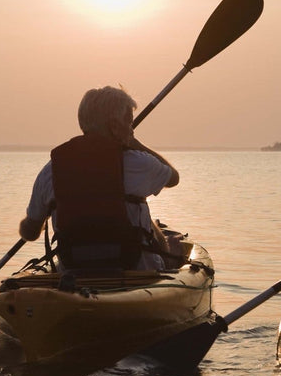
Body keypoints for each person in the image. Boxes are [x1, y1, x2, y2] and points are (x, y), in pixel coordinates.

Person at [19, 85, 180, 271]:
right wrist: (136, 144)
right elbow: (173, 178)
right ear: (114, 125)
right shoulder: (140, 163)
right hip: (137, 273)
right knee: (153, 227)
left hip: (74, 274)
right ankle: (171, 260)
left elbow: (30, 233)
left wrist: (40, 215)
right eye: (129, 122)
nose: (132, 130)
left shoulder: (51, 171)